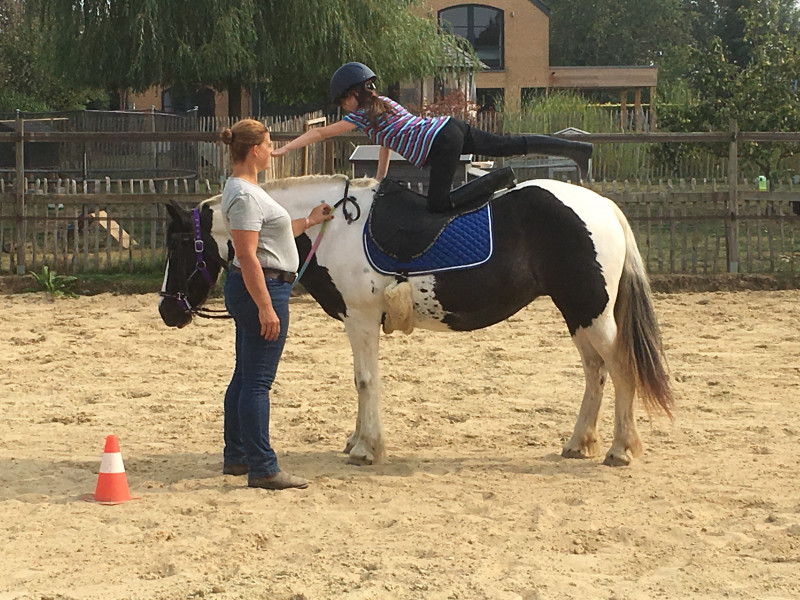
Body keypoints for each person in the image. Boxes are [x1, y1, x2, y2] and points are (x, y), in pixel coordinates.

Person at [272, 62, 593, 212]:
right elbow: (386, 142)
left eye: (342, 101)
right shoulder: (383, 106)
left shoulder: (360, 115)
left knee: (438, 203)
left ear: (352, 94)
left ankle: (498, 179)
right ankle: (576, 149)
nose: (343, 108)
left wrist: (284, 148)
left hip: (440, 142)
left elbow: (318, 131)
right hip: (448, 127)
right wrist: (380, 179)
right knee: (509, 144)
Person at [220, 119, 333, 490]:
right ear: (254, 150)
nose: (272, 151)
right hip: (263, 288)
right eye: (269, 145)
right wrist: (266, 307)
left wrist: (310, 221)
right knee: (257, 382)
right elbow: (248, 255)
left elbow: (272, 235)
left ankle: (238, 455)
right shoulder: (245, 195)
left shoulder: (247, 190)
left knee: (245, 375)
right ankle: (263, 467)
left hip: (259, 286)